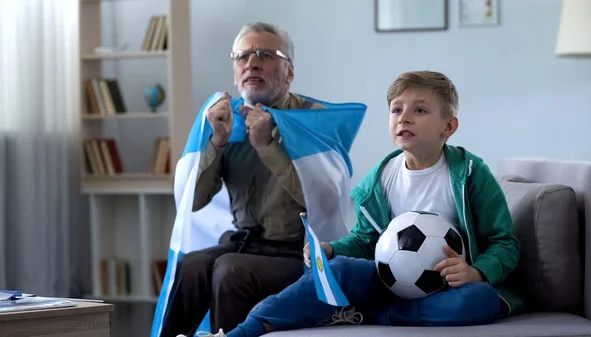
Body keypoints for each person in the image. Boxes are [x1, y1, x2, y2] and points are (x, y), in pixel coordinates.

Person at [202, 70, 524, 337]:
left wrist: (477, 272)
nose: (404, 118)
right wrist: (331, 250)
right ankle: (237, 333)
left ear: (448, 127)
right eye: (397, 110)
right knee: (340, 270)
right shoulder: (381, 178)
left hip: (448, 289)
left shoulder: (470, 174)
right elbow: (365, 240)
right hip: (390, 283)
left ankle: (376, 314)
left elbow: (504, 243)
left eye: (420, 110)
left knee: (479, 300)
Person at [161, 21, 327, 337]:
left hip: (298, 253)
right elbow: (191, 203)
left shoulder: (313, 119)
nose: (251, 63)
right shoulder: (227, 119)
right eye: (242, 56)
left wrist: (268, 147)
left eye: (265, 54)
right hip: (247, 243)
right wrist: (217, 142)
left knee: (229, 270)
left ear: (289, 72)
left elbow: (320, 200)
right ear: (236, 71)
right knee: (192, 265)